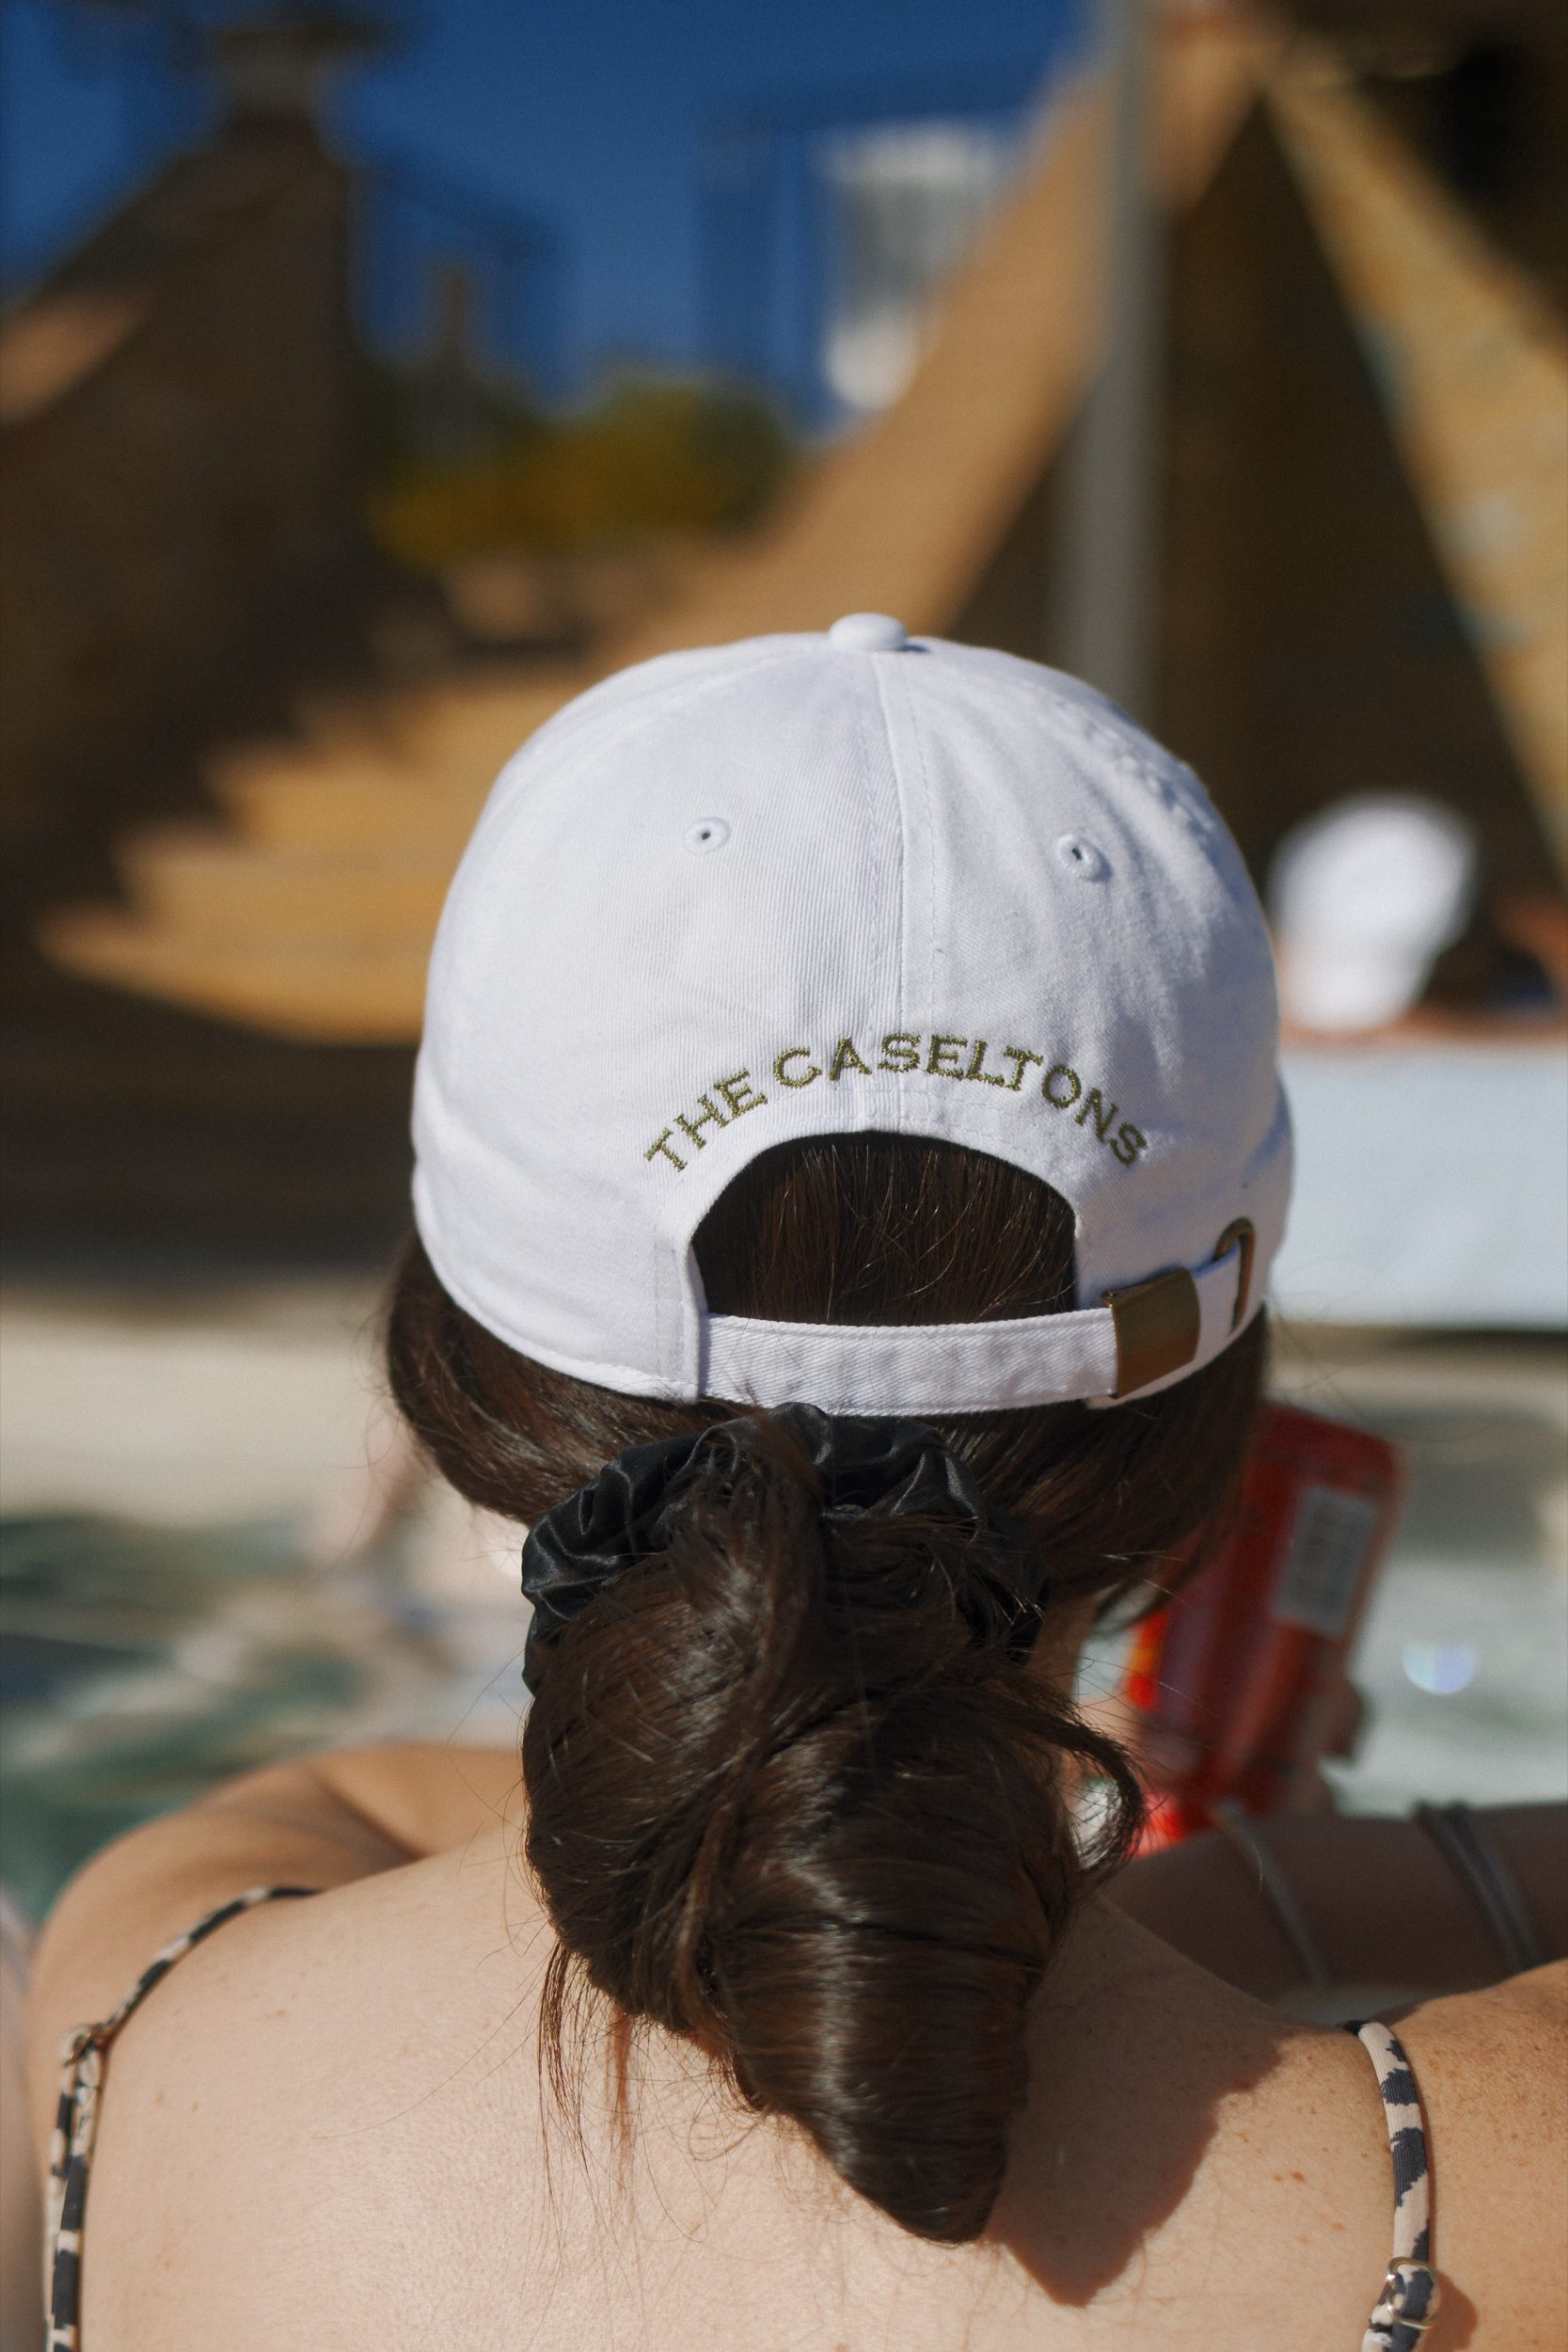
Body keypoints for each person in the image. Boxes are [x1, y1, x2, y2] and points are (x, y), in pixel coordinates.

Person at [25, 620, 1566, 2351]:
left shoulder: (139, 2016)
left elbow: (356, 1804)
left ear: (454, 1376)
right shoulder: (1487, 2205)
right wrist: (1172, 1881)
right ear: (1210, 1442)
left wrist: (878, 1812)